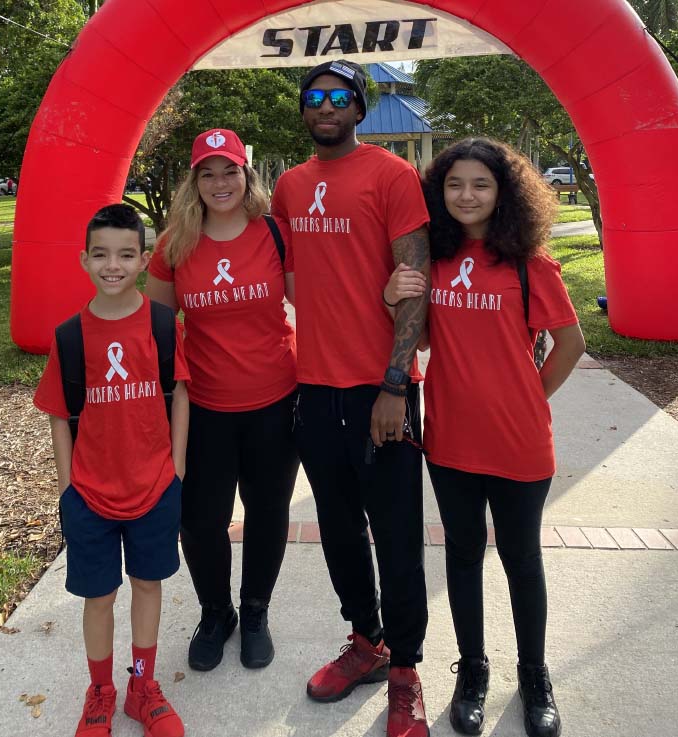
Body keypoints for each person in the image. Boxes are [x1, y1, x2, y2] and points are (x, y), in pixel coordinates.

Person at [385, 137, 585, 737]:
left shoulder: (530, 264)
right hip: (450, 439)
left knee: (522, 559)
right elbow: (422, 338)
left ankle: (534, 676)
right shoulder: (435, 261)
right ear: (438, 193)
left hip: (519, 442)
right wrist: (393, 296)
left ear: (504, 193)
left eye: (480, 184)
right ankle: (472, 670)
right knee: (464, 554)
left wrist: (530, 398)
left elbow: (570, 343)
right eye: (454, 184)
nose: (466, 195)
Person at [270, 60, 431, 737]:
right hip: (314, 388)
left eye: (339, 96)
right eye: (315, 97)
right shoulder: (288, 186)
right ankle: (367, 642)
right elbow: (286, 273)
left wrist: (395, 382)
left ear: (360, 109)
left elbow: (415, 278)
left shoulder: (392, 176)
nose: (326, 106)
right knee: (339, 530)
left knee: (396, 537)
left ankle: (406, 672)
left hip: (380, 389)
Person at [145, 129, 299, 672]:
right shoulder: (175, 245)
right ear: (194, 182)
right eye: (207, 174)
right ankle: (216, 612)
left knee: (267, 512)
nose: (220, 183)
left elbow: (316, 302)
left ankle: (255, 610)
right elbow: (156, 333)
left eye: (229, 170)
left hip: (275, 400)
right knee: (200, 519)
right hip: (204, 407)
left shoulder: (275, 234)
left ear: (246, 174)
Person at [34, 203, 190, 737]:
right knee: (98, 596)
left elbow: (180, 395)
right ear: (84, 260)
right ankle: (100, 690)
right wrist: (67, 488)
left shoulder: (163, 325)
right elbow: (59, 414)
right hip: (90, 493)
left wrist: (177, 469)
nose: (112, 265)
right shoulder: (70, 337)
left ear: (144, 260)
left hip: (154, 486)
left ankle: (142, 688)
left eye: (125, 254)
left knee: (148, 584)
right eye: (100, 254)